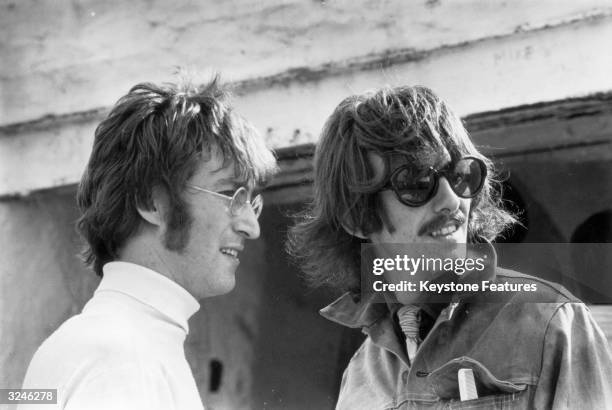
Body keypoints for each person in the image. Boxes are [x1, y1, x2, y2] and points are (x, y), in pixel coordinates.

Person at [288, 85, 612, 408]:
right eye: (416, 183)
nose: (452, 200)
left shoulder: (554, 324)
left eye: (460, 176)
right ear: (354, 217)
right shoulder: (359, 377)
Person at [19, 77, 277, 409]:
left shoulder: (120, 343)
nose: (251, 227)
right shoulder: (124, 357)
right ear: (153, 203)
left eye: (251, 203)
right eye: (230, 194)